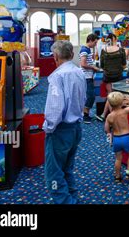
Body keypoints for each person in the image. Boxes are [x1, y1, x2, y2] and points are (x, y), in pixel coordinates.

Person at [43, 41, 86, 204]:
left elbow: (55, 107)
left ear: (55, 56)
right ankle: (72, 197)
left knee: (54, 174)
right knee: (67, 168)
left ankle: (66, 202)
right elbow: (83, 99)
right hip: (76, 128)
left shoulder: (57, 76)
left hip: (60, 130)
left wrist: (48, 128)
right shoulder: (79, 72)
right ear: (72, 55)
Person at [104, 87, 129, 183]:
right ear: (121, 103)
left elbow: (106, 129)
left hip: (116, 139)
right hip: (126, 137)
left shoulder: (109, 116)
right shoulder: (124, 111)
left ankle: (117, 176)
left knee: (118, 158)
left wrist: (109, 134)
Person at [97, 33, 127, 121]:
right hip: (118, 75)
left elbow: (102, 65)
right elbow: (124, 65)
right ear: (115, 39)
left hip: (108, 76)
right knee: (117, 96)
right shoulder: (121, 50)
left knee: (110, 95)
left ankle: (107, 116)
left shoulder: (104, 50)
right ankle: (115, 116)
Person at [79, 33, 101, 124]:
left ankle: (86, 114)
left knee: (90, 96)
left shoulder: (87, 50)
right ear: (90, 40)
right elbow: (83, 64)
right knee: (90, 96)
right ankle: (85, 115)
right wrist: (93, 67)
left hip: (89, 76)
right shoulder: (84, 50)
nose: (95, 45)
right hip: (86, 77)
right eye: (95, 43)